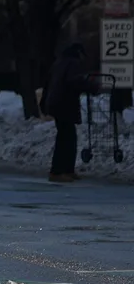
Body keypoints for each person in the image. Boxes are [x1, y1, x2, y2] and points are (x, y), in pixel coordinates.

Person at [42, 43, 93, 183]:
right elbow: (74, 82)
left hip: (56, 103)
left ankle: (67, 169)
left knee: (67, 136)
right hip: (64, 103)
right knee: (66, 138)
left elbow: (49, 83)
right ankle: (57, 171)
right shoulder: (73, 64)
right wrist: (91, 86)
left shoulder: (59, 63)